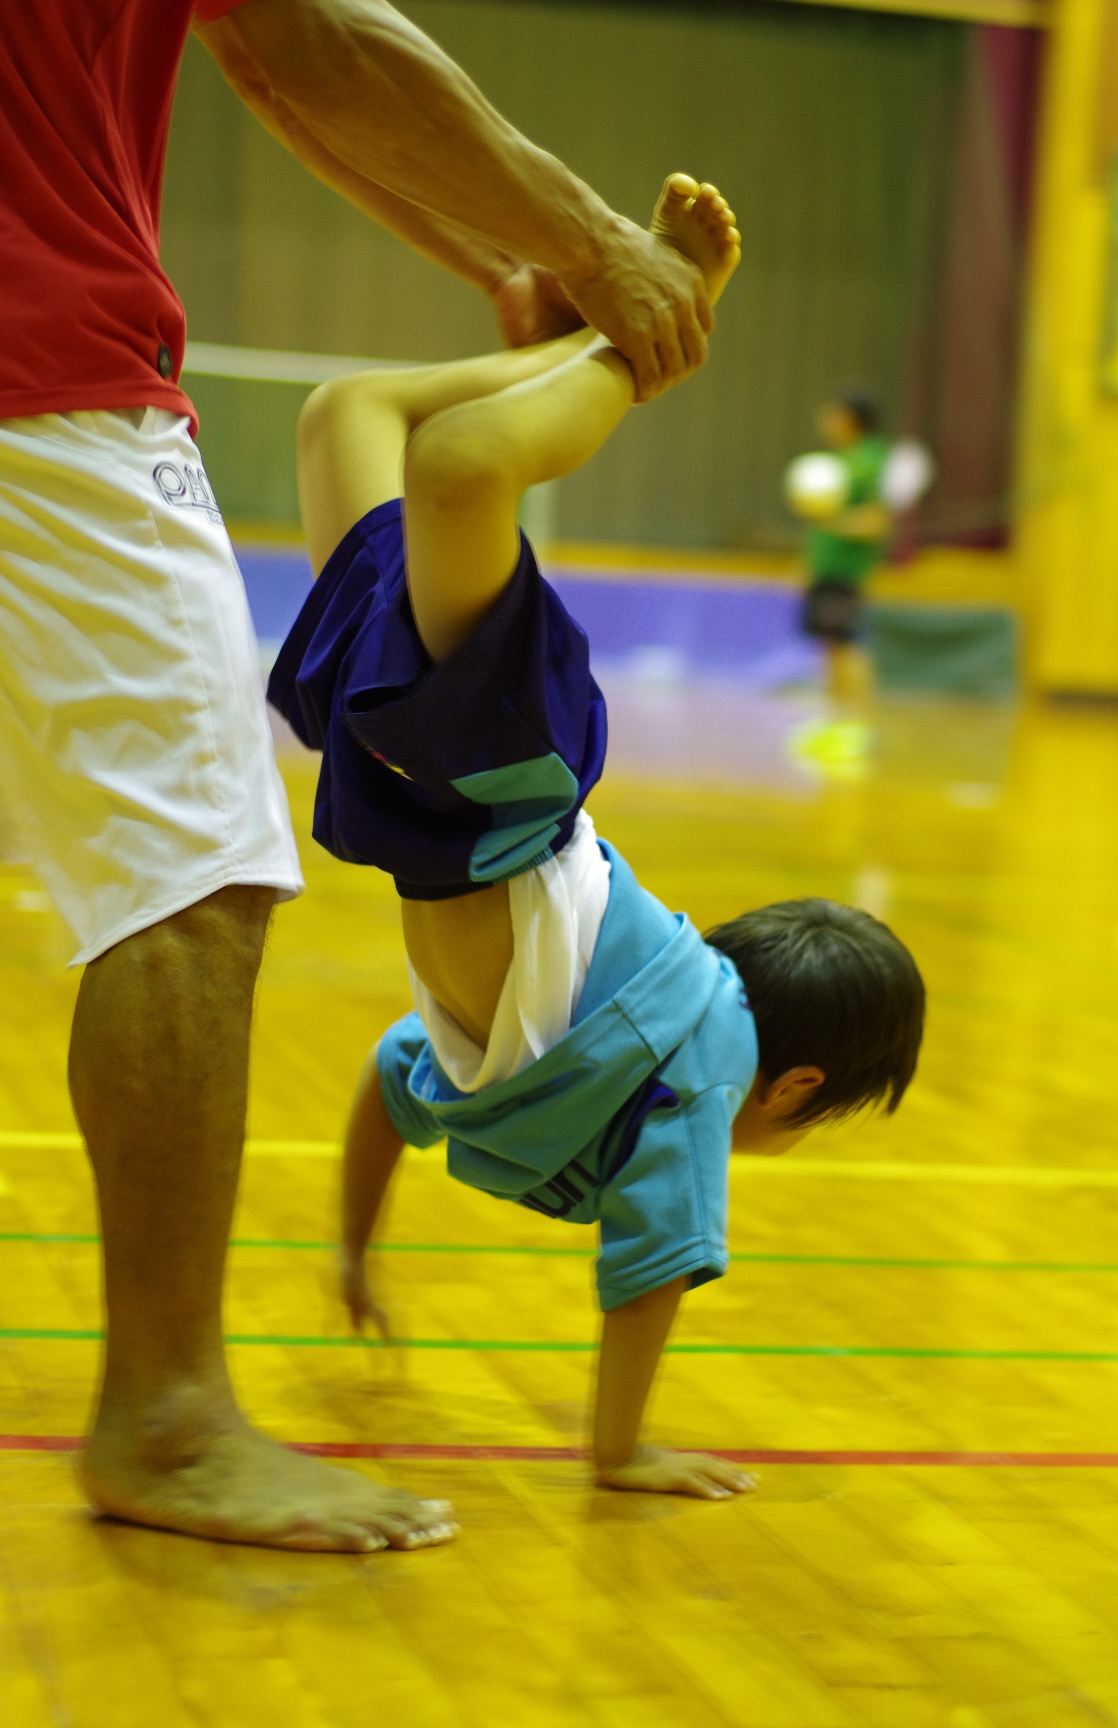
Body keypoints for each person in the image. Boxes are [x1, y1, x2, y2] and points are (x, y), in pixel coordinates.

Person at [0, 0, 715, 1553]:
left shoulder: (415, 668)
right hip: (36, 371)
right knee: (187, 880)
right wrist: (601, 272)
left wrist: (529, 285)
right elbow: (297, 34)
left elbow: (364, 405)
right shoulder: (496, 755)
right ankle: (169, 1418)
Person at [268, 178, 927, 1498]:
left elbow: (389, 1089)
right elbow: (655, 1266)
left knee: (349, 414)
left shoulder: (519, 1083)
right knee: (458, 462)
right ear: (792, 1085)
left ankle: (562, 354)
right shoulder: (709, 1065)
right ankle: (648, 328)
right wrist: (622, 1454)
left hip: (402, 781)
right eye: (809, 1121)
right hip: (502, 787)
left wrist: (352, 1248)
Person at [799, 393, 892, 710]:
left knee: (848, 643)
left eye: (832, 413)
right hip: (828, 566)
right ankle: (836, 716)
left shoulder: (870, 461)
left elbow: (878, 520)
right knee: (832, 643)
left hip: (846, 569)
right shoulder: (843, 461)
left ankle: (854, 718)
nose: (825, 420)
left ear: (850, 419)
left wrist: (832, 522)